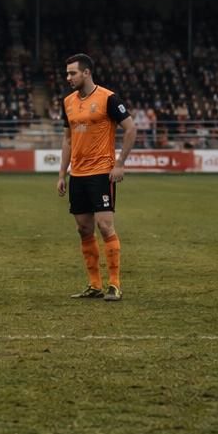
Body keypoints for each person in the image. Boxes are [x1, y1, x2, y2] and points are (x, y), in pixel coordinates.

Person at [57, 53, 136, 302]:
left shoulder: (108, 98)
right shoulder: (67, 102)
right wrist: (62, 174)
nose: (68, 77)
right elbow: (68, 139)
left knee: (104, 226)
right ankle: (94, 285)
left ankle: (114, 284)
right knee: (83, 229)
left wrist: (120, 164)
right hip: (77, 175)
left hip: (102, 172)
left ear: (87, 73)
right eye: (67, 73)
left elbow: (131, 129)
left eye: (72, 73)